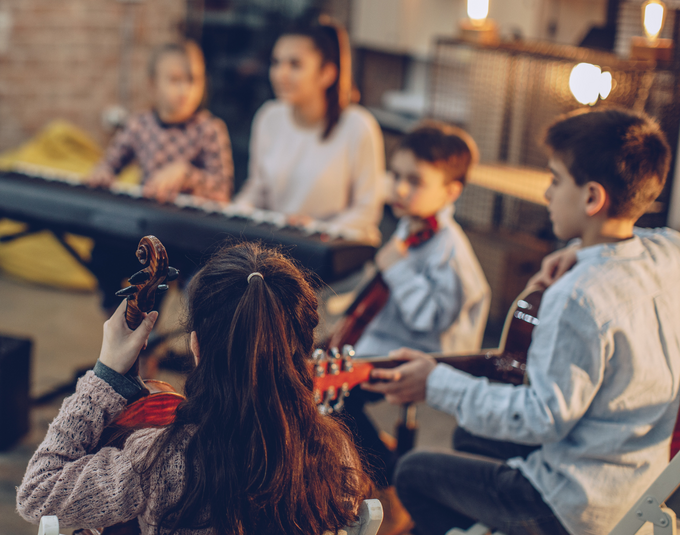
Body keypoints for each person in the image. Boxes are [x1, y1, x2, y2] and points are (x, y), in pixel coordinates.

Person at [367, 108, 680, 535]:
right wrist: (587, 248)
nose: (547, 194)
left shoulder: (578, 296)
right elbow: (658, 239)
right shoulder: (665, 259)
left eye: (554, 180)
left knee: (413, 473)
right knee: (469, 440)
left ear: (591, 198)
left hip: (570, 507)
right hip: (634, 483)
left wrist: (435, 382)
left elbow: (540, 418)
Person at [17, 242, 371, 534]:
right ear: (304, 353)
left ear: (196, 346)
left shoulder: (157, 460)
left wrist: (106, 374)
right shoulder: (334, 456)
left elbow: (37, 494)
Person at [337, 122, 489, 535]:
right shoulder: (411, 227)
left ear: (451, 191)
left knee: (335, 396)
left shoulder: (450, 251)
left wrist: (396, 268)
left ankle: (388, 482)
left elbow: (429, 318)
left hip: (426, 357)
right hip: (389, 344)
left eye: (415, 181)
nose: (400, 189)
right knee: (316, 372)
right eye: (397, 176)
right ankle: (376, 464)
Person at [86, 40, 234, 313]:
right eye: (175, 80)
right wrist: (103, 172)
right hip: (146, 228)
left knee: (199, 286)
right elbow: (109, 164)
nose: (185, 90)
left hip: (189, 234)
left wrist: (187, 173)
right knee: (103, 251)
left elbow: (222, 190)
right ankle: (121, 313)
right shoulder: (139, 125)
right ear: (153, 85)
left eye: (193, 80)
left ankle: (172, 333)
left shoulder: (210, 129)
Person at [233, 17, 384, 245]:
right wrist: (235, 212)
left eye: (295, 65)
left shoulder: (359, 126)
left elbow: (366, 212)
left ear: (327, 74)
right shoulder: (268, 117)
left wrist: (314, 230)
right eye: (275, 63)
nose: (280, 74)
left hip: (333, 252)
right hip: (277, 247)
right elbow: (257, 189)